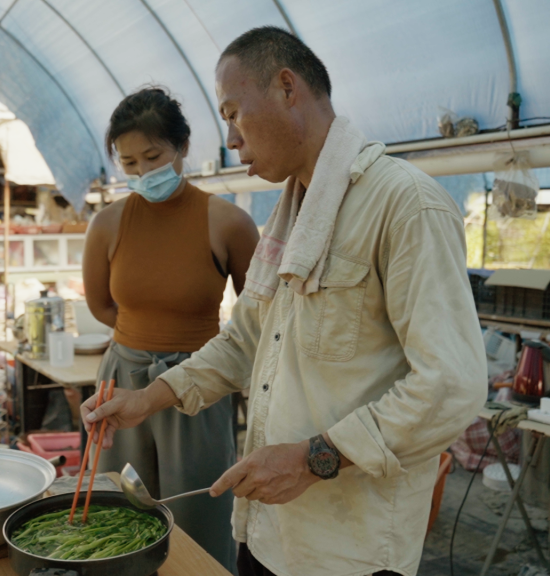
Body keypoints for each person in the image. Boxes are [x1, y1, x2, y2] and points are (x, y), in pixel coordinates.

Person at [83, 27, 487, 576]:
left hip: (346, 545)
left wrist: (314, 459)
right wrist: (150, 397)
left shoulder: (405, 205)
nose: (231, 139)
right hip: (270, 528)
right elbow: (247, 336)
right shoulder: (291, 212)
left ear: (286, 88)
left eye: (233, 113)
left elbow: (450, 386)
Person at [82, 86, 259, 571]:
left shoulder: (228, 223)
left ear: (183, 146)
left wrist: (179, 351)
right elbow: (100, 304)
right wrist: (145, 338)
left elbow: (259, 318)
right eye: (129, 162)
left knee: (199, 514)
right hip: (121, 379)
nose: (142, 172)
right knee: (119, 514)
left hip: (198, 386)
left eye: (153, 156)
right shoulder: (107, 224)